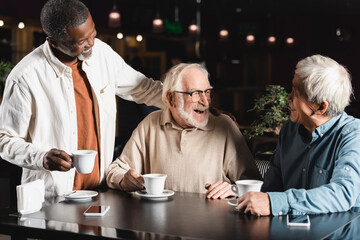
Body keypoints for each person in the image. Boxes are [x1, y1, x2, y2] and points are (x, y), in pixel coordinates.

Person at [0, 0, 164, 197]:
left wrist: (189, 102)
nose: (91, 44)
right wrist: (41, 158)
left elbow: (145, 88)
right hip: (53, 199)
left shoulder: (102, 54)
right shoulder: (25, 77)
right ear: (53, 41)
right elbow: (4, 139)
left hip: (101, 193)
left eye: (93, 34)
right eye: (81, 42)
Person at [106, 63, 261, 198]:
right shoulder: (151, 124)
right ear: (171, 98)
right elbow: (115, 170)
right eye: (195, 93)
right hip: (158, 225)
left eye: (207, 92)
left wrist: (232, 189)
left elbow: (255, 184)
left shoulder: (224, 126)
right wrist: (125, 180)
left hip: (210, 228)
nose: (205, 101)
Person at [236, 54, 360, 216]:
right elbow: (271, 189)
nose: (288, 98)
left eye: (296, 93)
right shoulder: (289, 130)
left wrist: (277, 202)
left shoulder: (353, 134)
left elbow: (342, 194)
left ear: (321, 107)